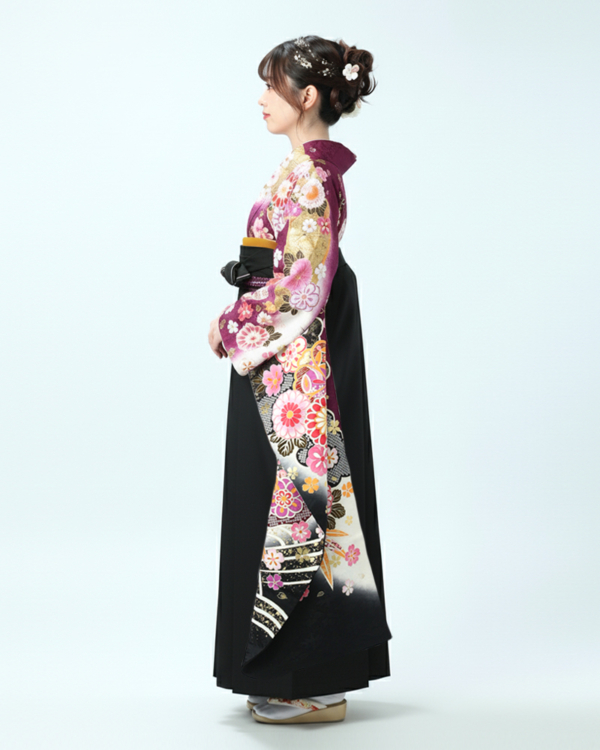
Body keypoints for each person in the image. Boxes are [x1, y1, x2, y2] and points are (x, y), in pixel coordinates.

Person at [208, 35, 392, 725]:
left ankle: (312, 683)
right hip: (284, 351)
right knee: (287, 498)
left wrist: (233, 325)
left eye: (272, 86)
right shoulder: (301, 170)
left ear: (306, 96)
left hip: (295, 358)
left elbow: (301, 287)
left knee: (300, 497)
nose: (261, 98)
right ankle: (295, 674)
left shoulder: (310, 176)